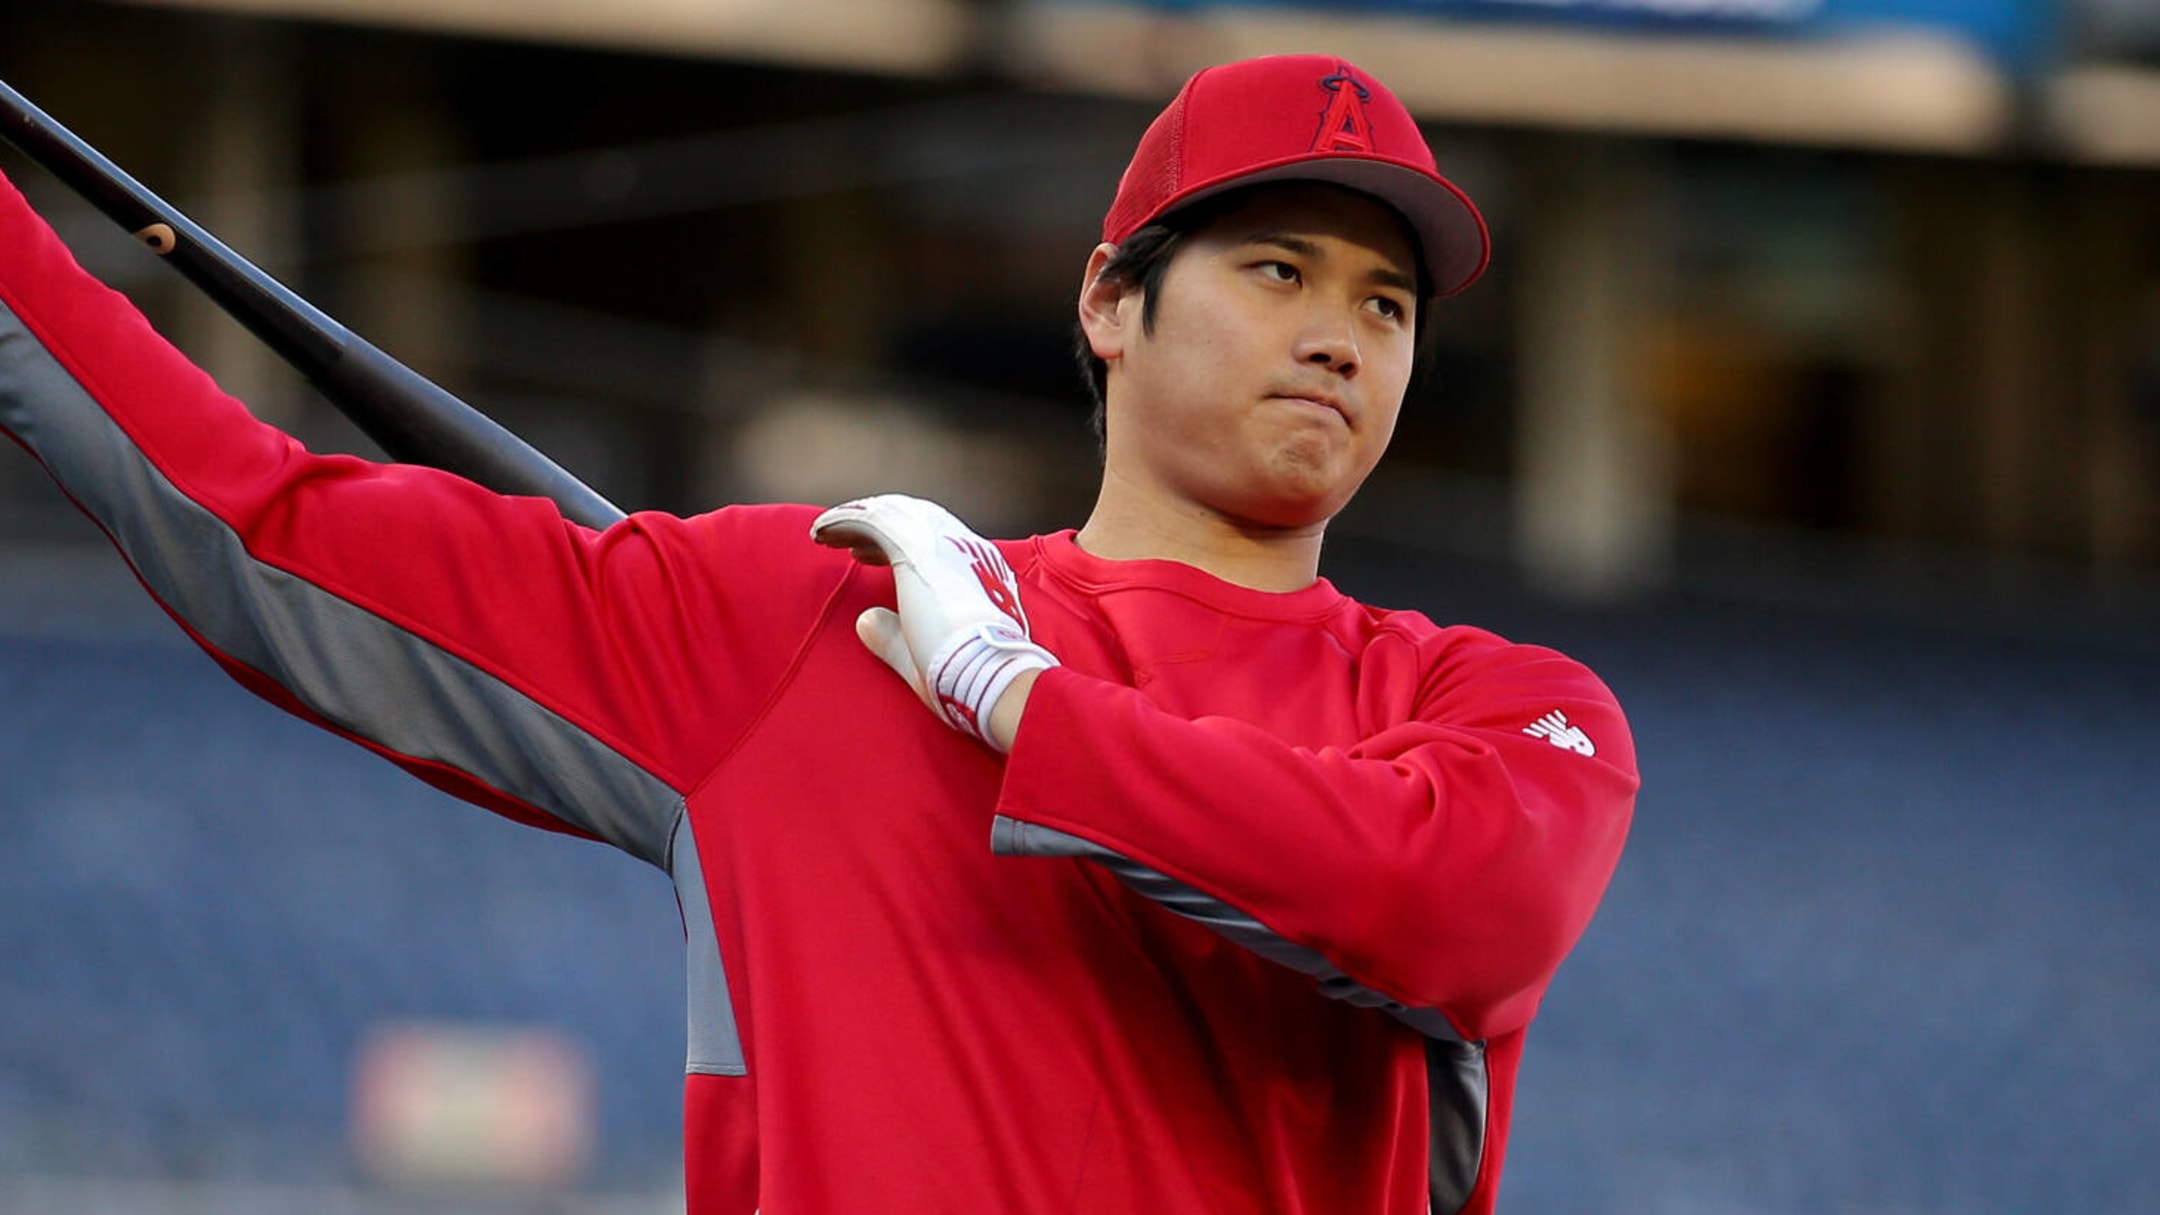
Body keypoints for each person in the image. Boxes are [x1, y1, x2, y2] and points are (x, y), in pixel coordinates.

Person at [0, 52, 1635, 1215]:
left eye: (1386, 304)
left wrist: (1014, 699)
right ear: (1107, 304)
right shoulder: (803, 617)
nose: (1340, 337)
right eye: (1278, 269)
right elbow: (256, 519)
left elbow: (1445, 906)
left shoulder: (1495, 704)